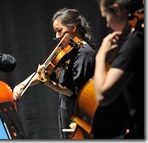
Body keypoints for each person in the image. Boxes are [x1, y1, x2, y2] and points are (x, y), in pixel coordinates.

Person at [13, 8, 96, 139]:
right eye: (55, 32)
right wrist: (22, 85)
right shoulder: (68, 51)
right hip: (67, 112)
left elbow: (73, 92)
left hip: (78, 117)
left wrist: (48, 83)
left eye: (60, 31)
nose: (57, 36)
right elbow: (45, 70)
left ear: (73, 28)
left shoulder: (84, 53)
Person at [94, 0, 144, 139]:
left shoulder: (136, 42)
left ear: (117, 9)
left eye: (106, 16)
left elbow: (102, 95)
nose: (107, 23)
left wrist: (101, 53)